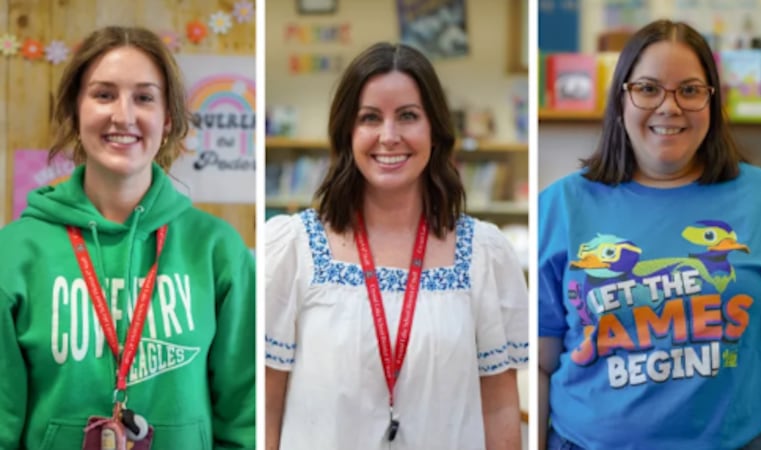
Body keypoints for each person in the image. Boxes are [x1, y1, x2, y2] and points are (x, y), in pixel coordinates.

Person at [538, 19, 761, 450]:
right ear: (621, 98)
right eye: (648, 88)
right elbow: (542, 364)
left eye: (690, 90)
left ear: (712, 102)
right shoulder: (561, 205)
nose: (669, 106)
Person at [0, 26, 256, 449]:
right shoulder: (13, 253)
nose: (123, 115)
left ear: (168, 118)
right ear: (74, 110)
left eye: (144, 97)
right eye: (103, 95)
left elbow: (244, 418)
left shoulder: (218, 251)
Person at [264, 42, 529, 450]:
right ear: (347, 132)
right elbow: (268, 409)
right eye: (370, 118)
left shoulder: (485, 254)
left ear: (435, 131)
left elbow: (499, 409)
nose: (389, 136)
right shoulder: (291, 249)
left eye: (407, 116)